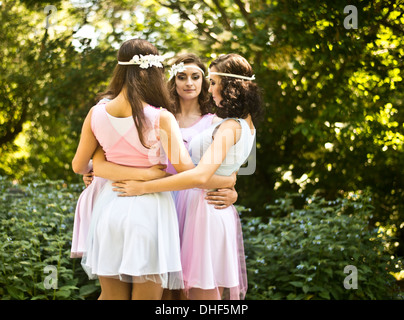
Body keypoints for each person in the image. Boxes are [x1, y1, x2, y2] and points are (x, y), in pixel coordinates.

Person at [72, 39, 235, 300]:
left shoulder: (96, 113)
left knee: (110, 296)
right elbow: (187, 171)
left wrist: (101, 165)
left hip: (110, 206)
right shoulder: (161, 117)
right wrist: (227, 181)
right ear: (153, 71)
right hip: (150, 212)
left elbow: (80, 166)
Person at [113, 53, 262, 300]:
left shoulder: (225, 124)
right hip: (175, 202)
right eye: (182, 77)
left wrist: (230, 185)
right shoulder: (238, 123)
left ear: (227, 84)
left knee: (197, 289)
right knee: (172, 288)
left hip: (198, 207)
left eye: (209, 81)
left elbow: (215, 172)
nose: (202, 86)